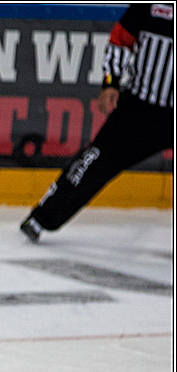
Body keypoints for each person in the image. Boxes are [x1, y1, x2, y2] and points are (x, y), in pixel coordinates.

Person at [20, 3, 174, 242]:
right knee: (93, 163)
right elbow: (120, 41)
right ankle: (42, 218)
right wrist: (111, 82)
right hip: (140, 110)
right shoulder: (151, 5)